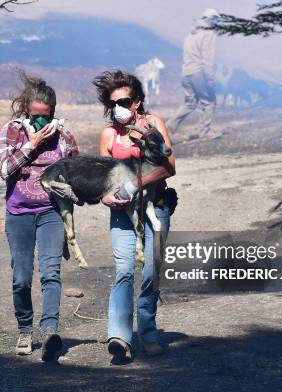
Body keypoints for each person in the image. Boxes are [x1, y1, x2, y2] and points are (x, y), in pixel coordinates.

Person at [92, 70, 176, 360]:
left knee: (151, 272)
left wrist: (135, 184)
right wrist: (104, 197)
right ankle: (119, 336)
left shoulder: (153, 125)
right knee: (124, 270)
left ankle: (148, 331)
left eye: (125, 101)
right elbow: (101, 177)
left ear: (137, 102)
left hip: (157, 207)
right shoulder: (108, 135)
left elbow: (169, 167)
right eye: (113, 102)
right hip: (122, 212)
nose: (119, 107)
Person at [0, 72, 79, 361]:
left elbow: (75, 173)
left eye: (47, 116)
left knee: (51, 273)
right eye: (36, 116)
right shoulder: (12, 131)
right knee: (21, 277)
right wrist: (30, 145)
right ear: (26, 112)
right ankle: (24, 328)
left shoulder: (64, 136)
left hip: (51, 214)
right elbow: (5, 170)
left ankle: (50, 331)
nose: (42, 122)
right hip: (19, 214)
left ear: (54, 113)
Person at [166, 8, 221, 142]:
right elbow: (208, 58)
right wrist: (209, 77)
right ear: (211, 20)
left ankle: (168, 129)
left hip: (186, 73)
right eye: (216, 21)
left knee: (190, 103)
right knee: (209, 102)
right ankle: (204, 132)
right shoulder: (209, 34)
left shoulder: (191, 33)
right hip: (198, 72)